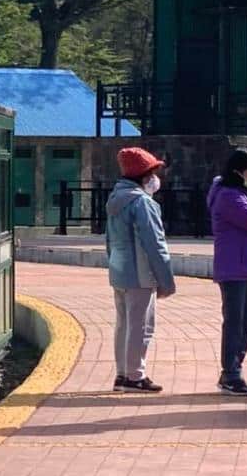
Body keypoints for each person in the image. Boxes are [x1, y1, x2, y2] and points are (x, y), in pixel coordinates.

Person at [106, 146, 176, 393]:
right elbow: (155, 244)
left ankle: (123, 373)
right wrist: (166, 280)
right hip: (140, 273)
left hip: (119, 271)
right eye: (153, 172)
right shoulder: (142, 203)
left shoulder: (115, 199)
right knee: (141, 326)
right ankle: (135, 376)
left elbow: (108, 240)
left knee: (123, 324)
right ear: (144, 176)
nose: (156, 179)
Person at [207, 147, 247, 396]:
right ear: (237, 172)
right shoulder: (229, 196)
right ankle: (231, 372)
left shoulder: (242, 193)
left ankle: (234, 368)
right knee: (235, 320)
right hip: (234, 266)